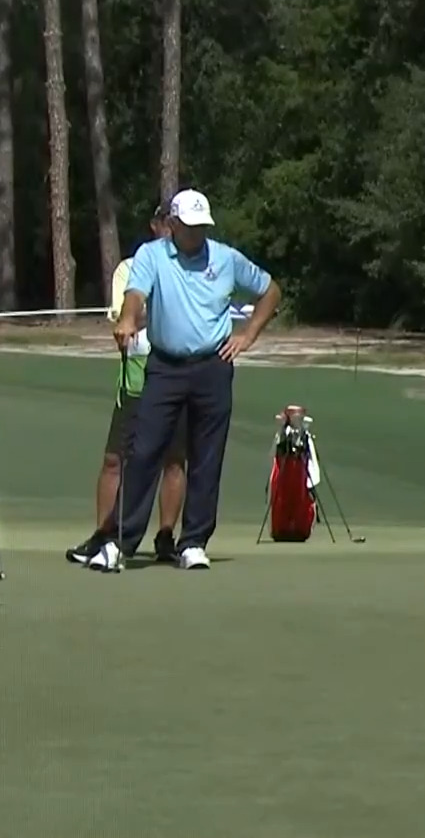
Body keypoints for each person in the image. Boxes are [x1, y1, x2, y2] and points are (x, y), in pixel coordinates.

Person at [91, 188, 281, 572]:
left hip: (213, 366)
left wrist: (247, 334)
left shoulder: (225, 258)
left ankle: (193, 541)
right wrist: (128, 319)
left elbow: (271, 291)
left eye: (201, 227)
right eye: (189, 226)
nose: (196, 235)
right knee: (144, 452)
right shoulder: (153, 255)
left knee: (207, 456)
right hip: (165, 366)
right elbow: (135, 294)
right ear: (173, 224)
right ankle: (121, 542)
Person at [67, 202, 187, 566]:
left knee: (173, 460)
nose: (172, 229)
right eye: (167, 222)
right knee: (114, 459)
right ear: (156, 225)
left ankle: (166, 536)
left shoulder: (194, 267)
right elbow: (126, 314)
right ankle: (105, 532)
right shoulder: (131, 267)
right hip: (138, 371)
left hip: (178, 369)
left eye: (177, 223)